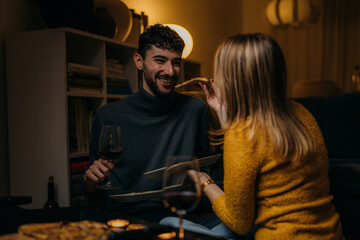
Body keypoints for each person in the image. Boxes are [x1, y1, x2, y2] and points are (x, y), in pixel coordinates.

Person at [161, 33, 343, 239]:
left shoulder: (243, 134)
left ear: (233, 79)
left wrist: (205, 182)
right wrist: (224, 113)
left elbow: (239, 223)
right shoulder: (301, 112)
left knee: (168, 222)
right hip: (331, 233)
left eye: (219, 71)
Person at [80, 24, 214, 223]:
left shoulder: (195, 109)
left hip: (183, 215)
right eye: (160, 60)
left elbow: (209, 171)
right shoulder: (108, 115)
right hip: (127, 219)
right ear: (139, 61)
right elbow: (95, 195)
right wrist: (90, 182)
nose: (170, 71)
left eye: (176, 62)